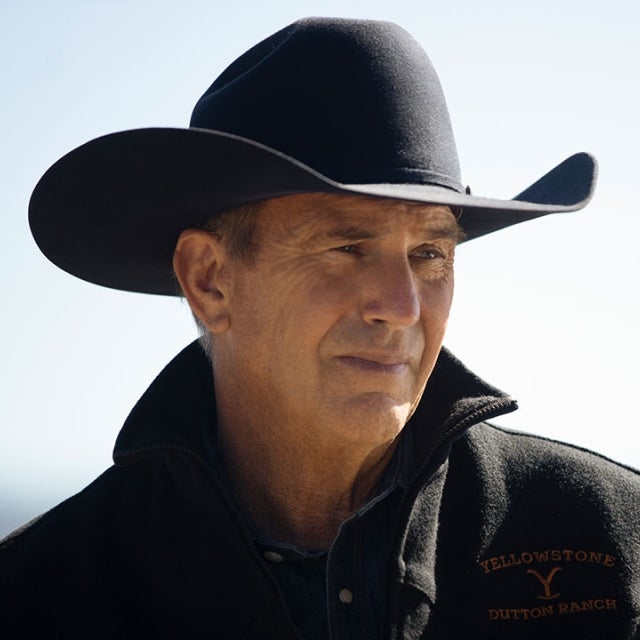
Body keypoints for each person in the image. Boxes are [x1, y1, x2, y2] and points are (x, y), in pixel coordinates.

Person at [1, 16, 638, 639]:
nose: (402, 307)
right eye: (347, 247)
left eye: (429, 254)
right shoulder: (40, 596)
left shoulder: (613, 544)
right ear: (209, 280)